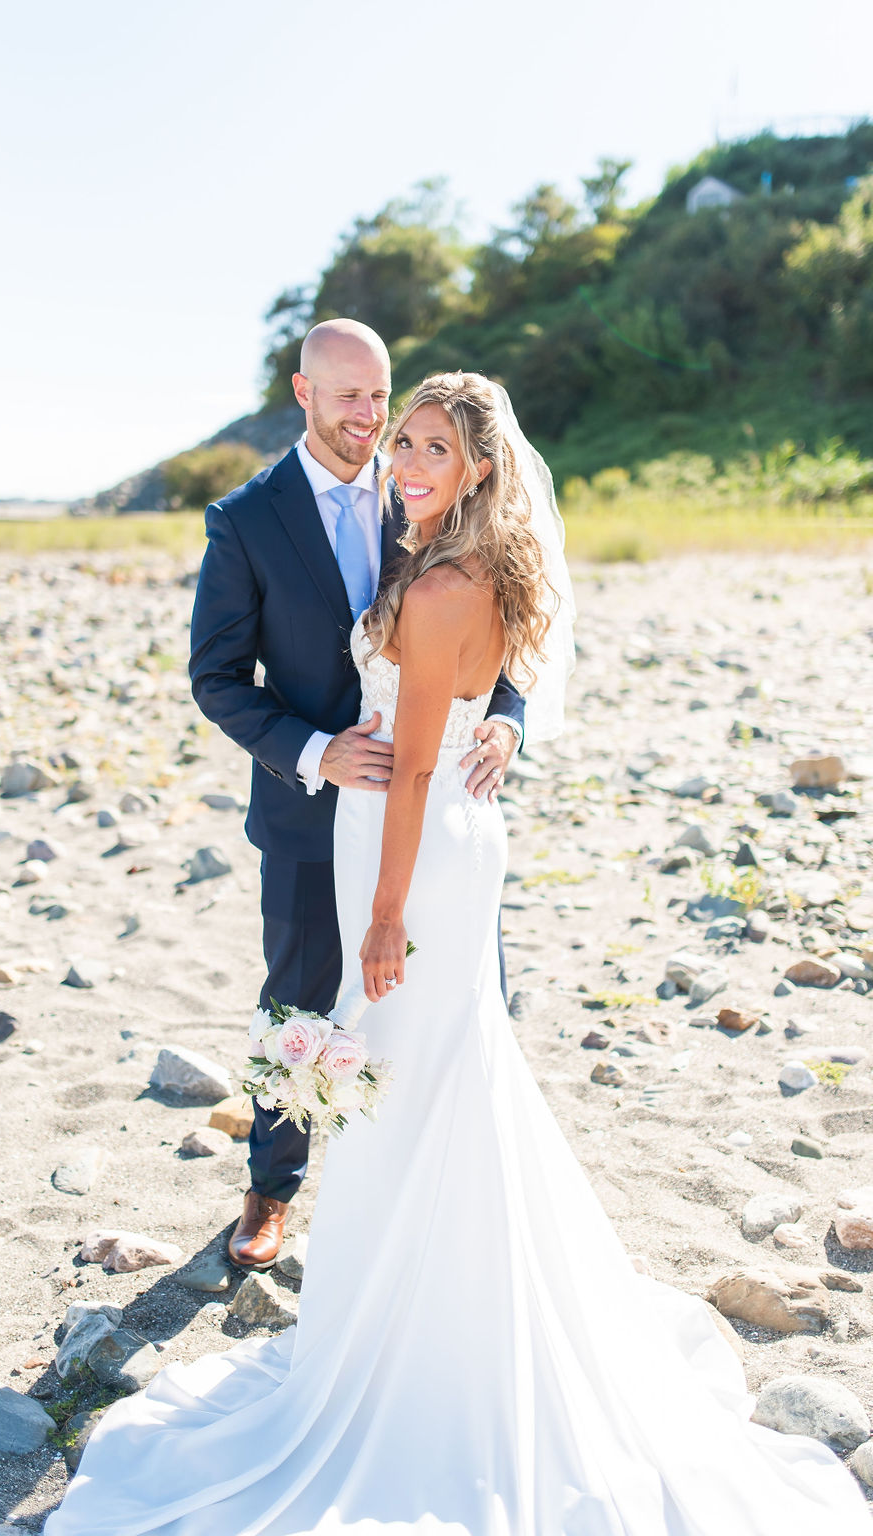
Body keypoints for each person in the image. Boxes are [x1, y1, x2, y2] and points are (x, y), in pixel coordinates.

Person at [45, 373, 871, 1535]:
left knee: (417, 1076)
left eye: (431, 443)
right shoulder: (441, 548)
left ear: (481, 465)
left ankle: (422, 1337)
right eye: (400, 441)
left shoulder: (440, 581)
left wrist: (384, 915)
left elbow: (423, 766)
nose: (406, 460)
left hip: (414, 849)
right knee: (429, 1075)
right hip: (402, 835)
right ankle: (406, 1298)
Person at [187, 320, 525, 1270]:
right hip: (307, 811)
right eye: (348, 397)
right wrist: (311, 750)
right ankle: (270, 1190)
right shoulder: (246, 518)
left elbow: (501, 621)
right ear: (303, 394)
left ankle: (460, 1203)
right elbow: (216, 677)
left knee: (463, 997)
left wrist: (509, 718)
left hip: (434, 806)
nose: (371, 418)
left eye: (380, 396)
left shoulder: (422, 485)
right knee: (299, 997)